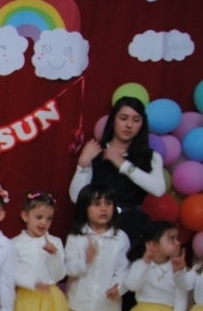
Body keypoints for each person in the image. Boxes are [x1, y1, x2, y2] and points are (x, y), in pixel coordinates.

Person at [70, 96, 165, 243]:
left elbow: (158, 190)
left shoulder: (151, 157)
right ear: (113, 120)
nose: (129, 125)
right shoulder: (95, 151)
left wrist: (123, 165)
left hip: (132, 227)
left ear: (142, 124)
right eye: (123, 118)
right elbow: (76, 197)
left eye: (136, 120)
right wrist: (83, 163)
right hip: (97, 228)